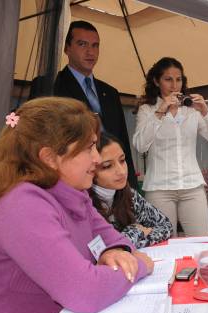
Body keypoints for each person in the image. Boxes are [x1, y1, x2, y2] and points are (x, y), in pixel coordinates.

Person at [0, 97, 154, 313]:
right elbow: (86, 291)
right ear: (49, 158)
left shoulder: (74, 195)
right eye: (89, 148)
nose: (97, 159)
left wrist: (117, 253)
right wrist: (138, 265)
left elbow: (118, 242)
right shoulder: (22, 206)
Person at [132, 57, 208, 237]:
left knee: (201, 241)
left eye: (179, 79)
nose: (174, 85)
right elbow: (140, 145)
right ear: (156, 81)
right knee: (164, 243)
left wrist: (205, 111)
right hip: (159, 188)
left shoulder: (192, 109)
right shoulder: (147, 109)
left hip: (192, 185)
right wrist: (161, 111)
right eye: (168, 79)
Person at [53, 20, 137, 188]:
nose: (90, 51)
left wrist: (130, 185)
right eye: (82, 44)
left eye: (95, 45)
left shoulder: (110, 92)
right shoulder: (52, 86)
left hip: (114, 180)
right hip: (75, 180)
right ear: (67, 48)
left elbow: (123, 141)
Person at [90, 132, 173, 249]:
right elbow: (104, 251)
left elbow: (166, 226)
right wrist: (136, 231)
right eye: (107, 166)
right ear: (90, 169)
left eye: (122, 160)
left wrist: (130, 244)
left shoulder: (129, 194)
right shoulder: (85, 204)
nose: (121, 171)